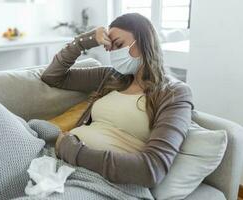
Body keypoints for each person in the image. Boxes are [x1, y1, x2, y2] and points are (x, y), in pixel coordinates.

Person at [41, 13, 194, 187]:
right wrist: (86, 41)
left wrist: (74, 151)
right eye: (110, 49)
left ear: (145, 41)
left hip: (99, 179)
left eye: (119, 45)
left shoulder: (174, 93)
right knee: (16, 125)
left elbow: (152, 170)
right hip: (61, 161)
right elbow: (52, 76)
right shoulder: (110, 76)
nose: (114, 54)